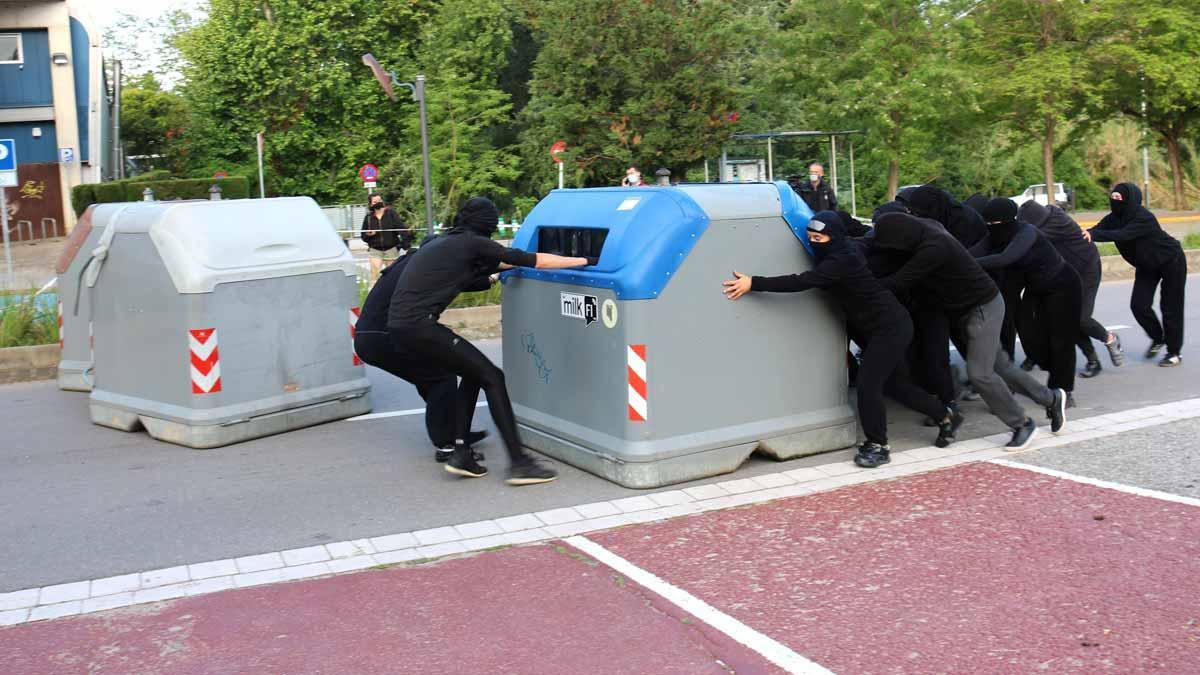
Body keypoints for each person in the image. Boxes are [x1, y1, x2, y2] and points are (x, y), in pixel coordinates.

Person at [723, 211, 963, 469]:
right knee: (894, 386)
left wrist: (753, 283)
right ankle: (945, 415)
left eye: (820, 237)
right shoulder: (847, 247)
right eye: (810, 237)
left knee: (869, 386)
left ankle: (878, 445)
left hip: (890, 327)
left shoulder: (841, 260)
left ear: (834, 237)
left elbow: (802, 281)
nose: (814, 242)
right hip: (877, 327)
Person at [388, 197, 594, 485]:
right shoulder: (473, 243)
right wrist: (586, 261)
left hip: (401, 327)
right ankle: (520, 463)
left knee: (473, 373)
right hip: (419, 327)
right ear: (487, 223)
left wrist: (503, 270)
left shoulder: (445, 242)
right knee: (493, 377)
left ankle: (461, 454)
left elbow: (473, 275)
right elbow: (534, 260)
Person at [869, 211, 1066, 450]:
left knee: (980, 374)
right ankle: (1052, 398)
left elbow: (900, 281)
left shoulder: (933, 248)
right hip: (971, 309)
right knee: (1000, 366)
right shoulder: (927, 226)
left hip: (982, 308)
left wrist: (860, 283)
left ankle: (1022, 424)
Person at [355, 244, 490, 462]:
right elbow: (458, 280)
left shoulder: (408, 264)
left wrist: (489, 276)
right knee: (441, 377)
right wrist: (492, 277)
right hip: (382, 337)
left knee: (430, 379)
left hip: (369, 337)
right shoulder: (420, 268)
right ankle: (446, 443)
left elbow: (456, 280)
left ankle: (455, 434)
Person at [973, 198, 1082, 407]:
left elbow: (1006, 258)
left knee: (1061, 340)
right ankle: (1050, 369)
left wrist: (971, 264)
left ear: (1008, 221)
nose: (990, 229)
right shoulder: (993, 235)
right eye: (987, 225)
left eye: (993, 225)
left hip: (1063, 285)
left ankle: (1063, 390)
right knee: (1031, 339)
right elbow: (969, 253)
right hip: (1036, 289)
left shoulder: (1027, 232)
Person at [1018, 200, 1124, 378]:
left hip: (1086, 269)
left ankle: (1110, 339)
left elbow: (1024, 241)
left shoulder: (1053, 224)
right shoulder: (1046, 218)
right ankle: (1093, 360)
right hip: (1065, 272)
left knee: (1080, 318)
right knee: (1064, 318)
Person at [1087, 183, 1186, 367]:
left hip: (1171, 261)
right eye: (1113, 197)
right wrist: (1081, 234)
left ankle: (1174, 353)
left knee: (1170, 308)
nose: (1114, 202)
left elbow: (1122, 235)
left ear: (1131, 199)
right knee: (1139, 305)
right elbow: (1094, 230)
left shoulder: (1144, 218)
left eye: (1119, 198)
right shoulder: (1113, 218)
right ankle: (1158, 338)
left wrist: (1094, 235)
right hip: (1147, 265)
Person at [906, 186, 988, 249]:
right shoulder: (944, 214)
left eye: (918, 214)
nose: (915, 217)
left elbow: (957, 254)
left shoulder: (962, 221)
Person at [362, 194, 412, 283]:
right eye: (375, 202)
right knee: (375, 277)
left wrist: (406, 246)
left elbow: (401, 229)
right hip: (375, 250)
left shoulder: (391, 213)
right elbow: (363, 236)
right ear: (370, 204)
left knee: (392, 276)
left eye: (379, 200)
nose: (378, 203)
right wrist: (368, 235)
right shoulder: (368, 217)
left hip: (391, 249)